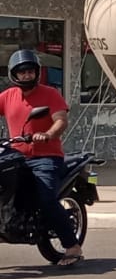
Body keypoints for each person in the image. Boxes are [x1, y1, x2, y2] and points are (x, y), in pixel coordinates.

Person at [0, 50, 82, 267]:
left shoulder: (50, 94)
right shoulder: (8, 96)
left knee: (45, 198)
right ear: (13, 74)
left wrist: (47, 134)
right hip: (15, 155)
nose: (26, 76)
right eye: (22, 72)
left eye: (30, 71)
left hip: (45, 156)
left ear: (36, 72)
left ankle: (72, 246)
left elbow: (60, 120)